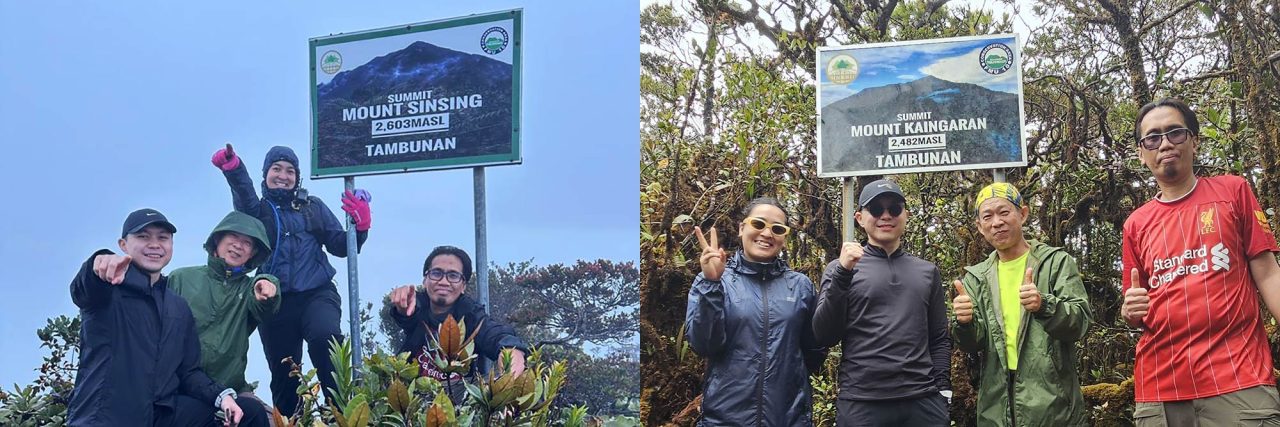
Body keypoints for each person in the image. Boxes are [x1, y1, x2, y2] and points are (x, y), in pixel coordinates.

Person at [1120, 98, 1280, 425]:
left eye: (1175, 133)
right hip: (1159, 387)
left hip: (1238, 376)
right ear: (1141, 152)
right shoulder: (1136, 224)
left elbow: (1267, 274)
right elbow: (1134, 308)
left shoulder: (1233, 192)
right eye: (1152, 137)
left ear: (1194, 140)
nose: (1164, 143)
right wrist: (1129, 311)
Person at [68, 208, 267, 426]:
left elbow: (189, 371)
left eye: (162, 238)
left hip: (162, 413)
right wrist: (97, 263)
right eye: (143, 237)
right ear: (123, 245)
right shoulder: (109, 289)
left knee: (250, 412)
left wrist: (223, 397)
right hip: (109, 415)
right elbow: (83, 290)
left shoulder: (177, 306)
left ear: (171, 245)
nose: (154, 244)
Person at [211, 144, 371, 415]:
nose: (283, 175)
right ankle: (290, 421)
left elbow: (342, 247)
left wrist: (360, 227)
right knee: (284, 372)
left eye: (290, 171)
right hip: (273, 300)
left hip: (317, 293)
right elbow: (244, 195)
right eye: (276, 169)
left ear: (297, 177)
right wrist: (233, 168)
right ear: (266, 174)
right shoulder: (258, 211)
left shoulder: (312, 207)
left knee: (326, 338)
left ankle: (342, 415)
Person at [812, 179, 951, 426]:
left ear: (905, 215)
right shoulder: (840, 268)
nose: (886, 216)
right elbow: (824, 335)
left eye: (894, 209)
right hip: (862, 402)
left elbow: (939, 337)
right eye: (876, 210)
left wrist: (943, 391)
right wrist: (843, 273)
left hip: (922, 402)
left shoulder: (927, 271)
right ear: (859, 218)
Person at [950, 183, 1091, 426]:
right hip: (996, 407)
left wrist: (1044, 305)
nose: (997, 222)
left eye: (1004, 213)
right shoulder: (976, 277)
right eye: (988, 216)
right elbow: (974, 344)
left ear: (1022, 214)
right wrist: (964, 323)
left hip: (1053, 406)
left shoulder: (1055, 263)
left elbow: (1079, 323)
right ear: (979, 227)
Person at [683, 196, 826, 426]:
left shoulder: (801, 286)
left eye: (777, 228)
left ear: (784, 238)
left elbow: (814, 350)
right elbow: (703, 345)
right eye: (758, 224)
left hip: (787, 419)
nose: (767, 234)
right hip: (725, 419)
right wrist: (711, 284)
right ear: (742, 228)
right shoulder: (716, 281)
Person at [387, 246, 530, 399]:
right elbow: (408, 315)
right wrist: (402, 307)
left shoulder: (471, 315)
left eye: (453, 275)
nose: (443, 281)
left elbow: (494, 334)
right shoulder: (417, 305)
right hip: (411, 403)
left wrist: (511, 351)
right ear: (425, 280)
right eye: (436, 273)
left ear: (463, 286)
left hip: (460, 408)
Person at [168, 211, 281, 401]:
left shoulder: (249, 289)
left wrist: (268, 285)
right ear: (218, 239)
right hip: (178, 388)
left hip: (232, 389)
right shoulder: (180, 278)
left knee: (264, 418)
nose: (239, 245)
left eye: (248, 243)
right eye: (234, 236)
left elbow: (266, 311)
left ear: (253, 253)